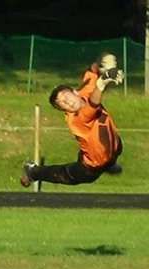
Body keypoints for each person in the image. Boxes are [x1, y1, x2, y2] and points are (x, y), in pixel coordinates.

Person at [20, 54, 124, 187]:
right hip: (91, 166)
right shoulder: (76, 119)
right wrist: (102, 82)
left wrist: (102, 62)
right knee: (66, 174)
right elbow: (93, 104)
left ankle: (108, 163)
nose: (67, 102)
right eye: (62, 103)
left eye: (66, 96)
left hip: (110, 149)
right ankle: (33, 172)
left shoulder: (85, 91)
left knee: (117, 145)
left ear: (75, 92)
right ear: (64, 110)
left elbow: (92, 70)